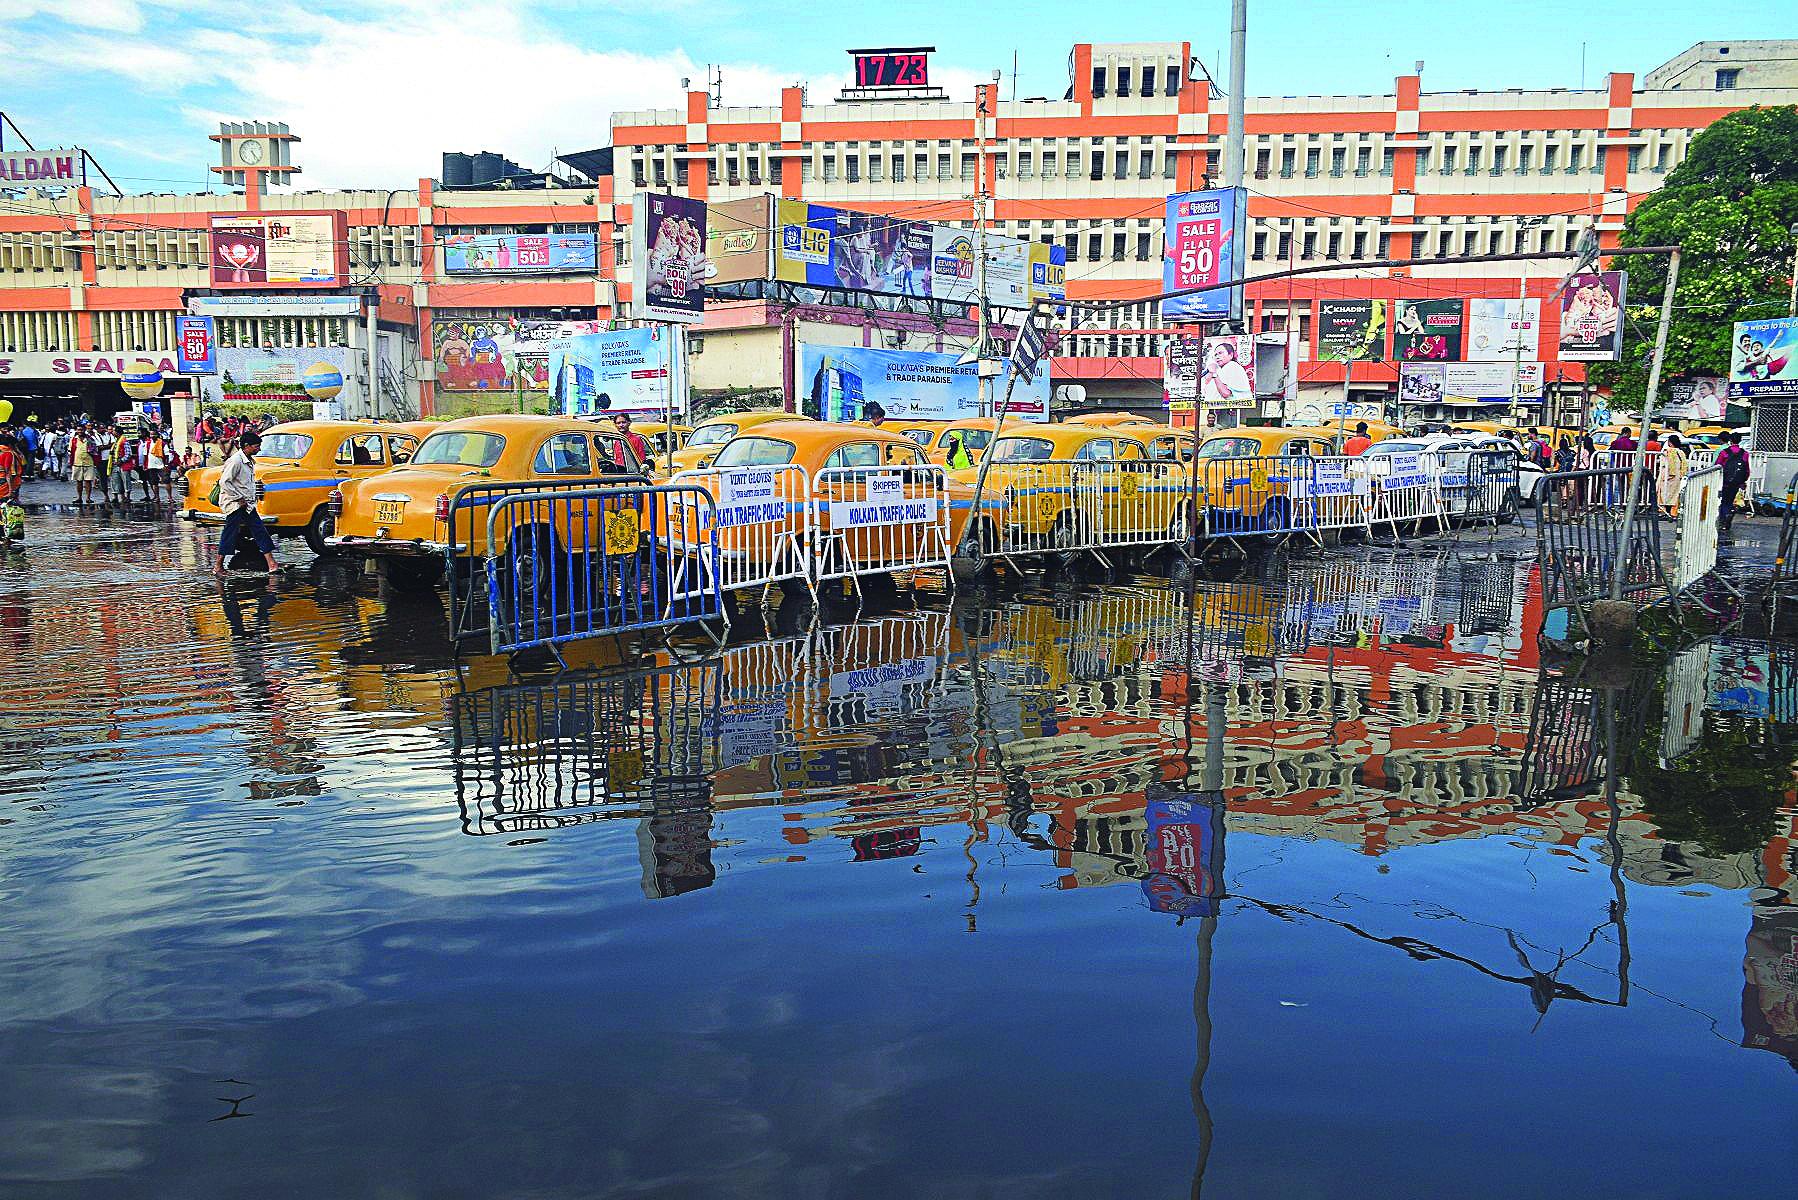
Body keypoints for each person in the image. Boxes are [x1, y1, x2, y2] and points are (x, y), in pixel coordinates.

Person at [214, 429, 278, 577]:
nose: (258, 449)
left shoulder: (248, 461)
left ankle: (272, 564)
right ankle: (218, 566)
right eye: (256, 446)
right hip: (235, 504)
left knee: (259, 530)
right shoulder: (235, 461)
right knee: (230, 534)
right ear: (246, 446)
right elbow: (225, 482)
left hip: (247, 505)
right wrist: (238, 498)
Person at [1718, 432, 1751, 533]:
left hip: (1725, 481)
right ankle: (1728, 517)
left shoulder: (1724, 452)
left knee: (1724, 501)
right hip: (1737, 482)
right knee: (1731, 500)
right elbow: (1747, 470)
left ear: (1730, 440)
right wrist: (1743, 481)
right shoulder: (1745, 454)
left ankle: (1724, 519)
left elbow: (1718, 465)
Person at [1655, 432, 1689, 518]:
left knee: (1662, 493)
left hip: (1666, 476)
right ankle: (1674, 513)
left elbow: (1663, 464)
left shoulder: (1666, 452)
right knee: (1675, 495)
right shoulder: (1681, 452)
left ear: (1669, 442)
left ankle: (1662, 510)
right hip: (1677, 476)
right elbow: (1684, 465)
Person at [69, 423, 101, 506]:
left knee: (88, 481)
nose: (80, 431)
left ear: (84, 430)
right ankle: (79, 498)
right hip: (77, 462)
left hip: (89, 462)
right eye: (78, 430)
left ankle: (88, 498)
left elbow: (95, 450)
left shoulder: (90, 439)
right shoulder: (73, 439)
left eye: (81, 430)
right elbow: (71, 451)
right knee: (78, 481)